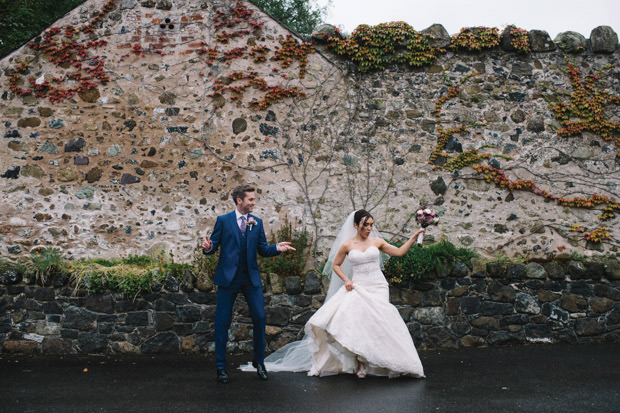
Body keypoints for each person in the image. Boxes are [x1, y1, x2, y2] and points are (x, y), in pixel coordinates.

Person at [254, 209, 425, 378]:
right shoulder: (347, 244)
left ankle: (389, 361)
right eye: (365, 225)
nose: (369, 228)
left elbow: (399, 252)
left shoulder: (377, 242)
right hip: (358, 287)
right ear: (356, 225)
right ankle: (361, 363)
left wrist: (414, 236)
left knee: (380, 323)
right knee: (361, 325)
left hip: (378, 286)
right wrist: (346, 280)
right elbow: (336, 265)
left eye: (371, 225)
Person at [202, 184, 295, 384]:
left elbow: (262, 249)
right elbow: (212, 246)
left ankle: (259, 362)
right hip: (229, 278)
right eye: (250, 199)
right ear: (239, 201)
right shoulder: (223, 221)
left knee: (260, 317)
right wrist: (207, 248)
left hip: (250, 278)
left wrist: (276, 248)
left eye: (254, 199)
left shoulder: (257, 223)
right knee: (222, 322)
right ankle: (220, 367)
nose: (254, 202)